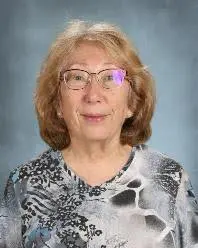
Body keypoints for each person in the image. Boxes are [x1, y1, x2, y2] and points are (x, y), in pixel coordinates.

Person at [0, 20, 198, 248]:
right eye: (77, 77)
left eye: (110, 78)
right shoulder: (23, 185)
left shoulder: (170, 180)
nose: (93, 95)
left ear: (132, 102)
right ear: (57, 102)